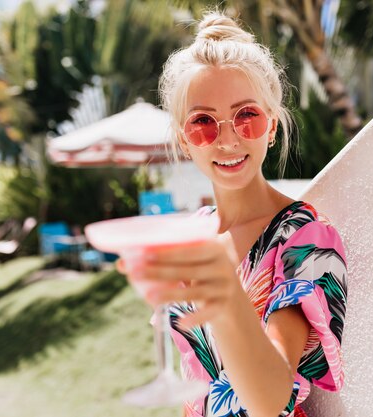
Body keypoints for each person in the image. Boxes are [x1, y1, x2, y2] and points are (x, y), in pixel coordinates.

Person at [118, 11, 348, 417]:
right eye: (203, 122)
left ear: (272, 126)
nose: (226, 139)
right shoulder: (188, 235)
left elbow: (270, 400)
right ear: (185, 140)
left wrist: (223, 296)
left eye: (247, 116)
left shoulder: (303, 239)